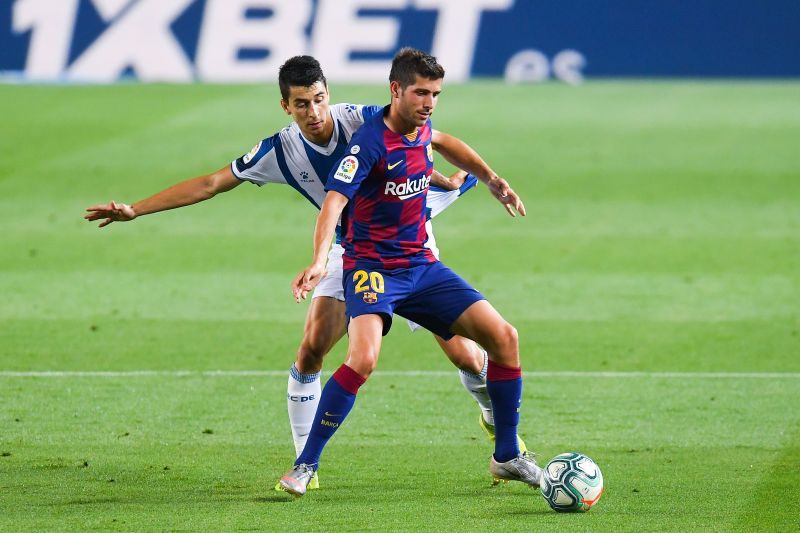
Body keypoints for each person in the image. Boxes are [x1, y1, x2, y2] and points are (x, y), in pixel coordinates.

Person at [84, 56, 519, 490]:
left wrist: (443, 180)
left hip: (409, 242)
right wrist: (136, 209)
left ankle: (489, 409)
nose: (314, 113)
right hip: (350, 251)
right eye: (301, 104)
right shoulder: (278, 151)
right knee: (313, 348)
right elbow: (211, 184)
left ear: (328, 93)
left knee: (464, 354)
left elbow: (420, 138)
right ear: (285, 107)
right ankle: (304, 461)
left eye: (319, 100)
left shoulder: (360, 119)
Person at [279, 48, 541, 497]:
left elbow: (444, 142)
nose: (429, 102)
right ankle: (305, 465)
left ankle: (507, 456)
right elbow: (334, 202)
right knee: (362, 359)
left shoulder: (421, 130)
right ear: (395, 90)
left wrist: (492, 179)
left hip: (421, 265)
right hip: (372, 269)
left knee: (505, 338)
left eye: (436, 93)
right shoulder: (368, 144)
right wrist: (321, 260)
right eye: (421, 92)